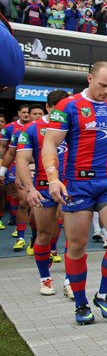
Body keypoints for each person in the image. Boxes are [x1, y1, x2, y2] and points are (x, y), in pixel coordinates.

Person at [41, 62, 107, 325]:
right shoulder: (69, 106)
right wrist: (53, 179)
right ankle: (80, 304)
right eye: (102, 85)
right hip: (77, 184)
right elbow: (50, 144)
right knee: (76, 245)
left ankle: (104, 294)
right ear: (89, 78)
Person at [15, 89, 71, 295]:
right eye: (57, 109)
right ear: (47, 107)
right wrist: (29, 188)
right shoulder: (31, 129)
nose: (62, 113)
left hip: (70, 187)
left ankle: (70, 281)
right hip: (43, 188)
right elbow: (21, 159)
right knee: (44, 234)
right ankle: (45, 279)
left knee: (73, 237)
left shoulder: (74, 126)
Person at [0, 103, 32, 252]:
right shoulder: (13, 130)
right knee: (21, 199)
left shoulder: (46, 129)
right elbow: (6, 150)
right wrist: (2, 169)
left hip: (41, 171)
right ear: (19, 113)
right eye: (24, 112)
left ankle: (37, 239)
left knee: (39, 206)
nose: (27, 115)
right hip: (17, 166)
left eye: (40, 114)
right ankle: (19, 235)